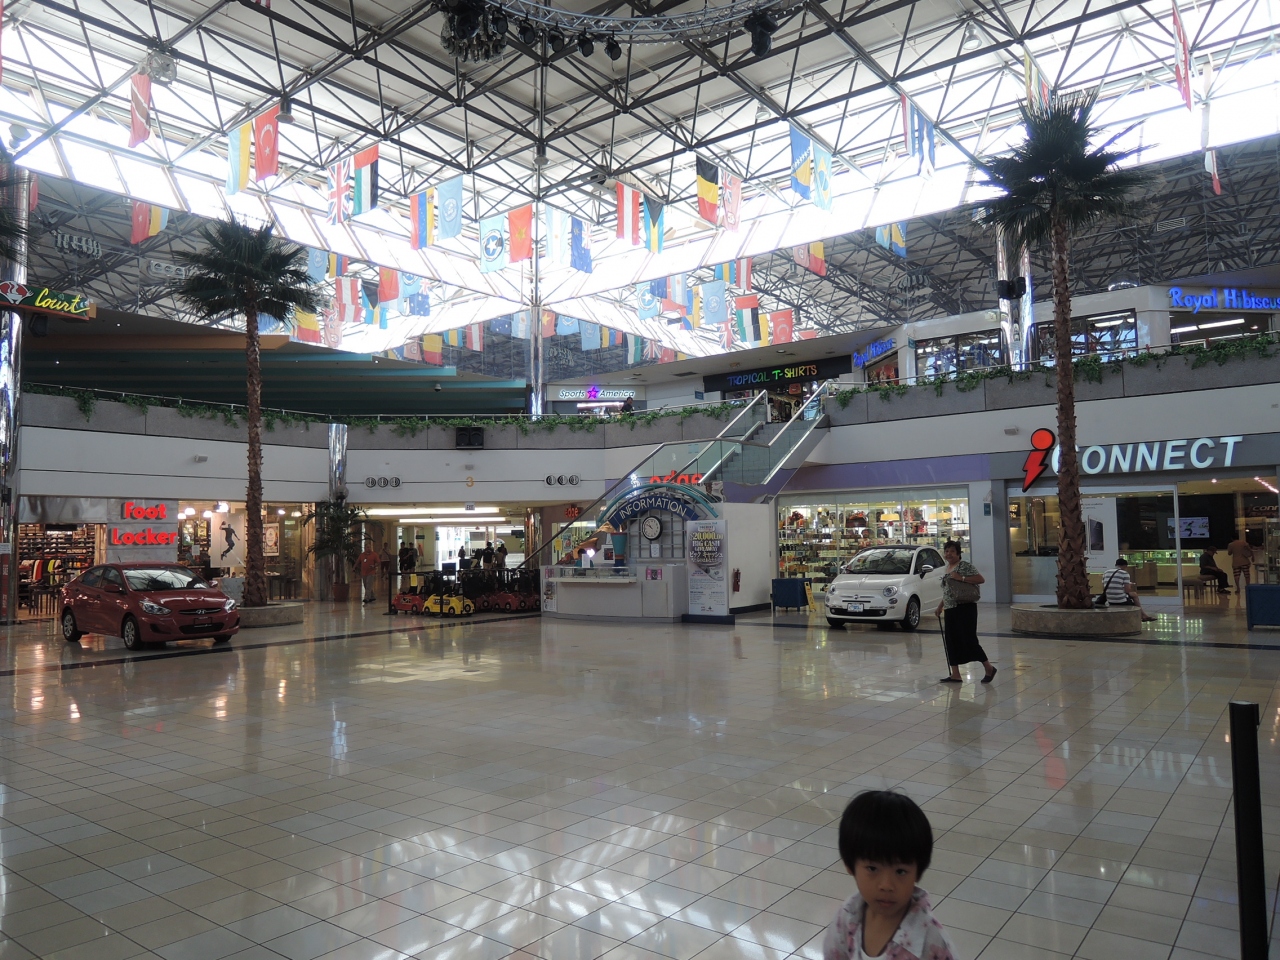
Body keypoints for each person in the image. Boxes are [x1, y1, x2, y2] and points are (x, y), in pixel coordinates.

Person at [822, 790, 957, 960]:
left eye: (900, 871)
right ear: (850, 866)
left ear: (917, 872)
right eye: (872, 868)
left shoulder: (932, 941)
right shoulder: (846, 919)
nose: (886, 885)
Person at [934, 540, 996, 684]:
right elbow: (948, 591)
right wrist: (940, 606)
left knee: (969, 640)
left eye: (952, 551)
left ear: (958, 553)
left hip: (965, 608)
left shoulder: (964, 566)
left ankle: (989, 668)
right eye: (947, 551)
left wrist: (961, 578)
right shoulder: (947, 568)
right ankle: (955, 674)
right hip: (950, 609)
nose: (949, 554)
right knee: (951, 641)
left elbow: (980, 579)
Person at [1102, 558, 1156, 622]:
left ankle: (1143, 615)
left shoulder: (1106, 572)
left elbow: (1105, 586)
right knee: (1135, 595)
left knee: (1133, 595)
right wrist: (1130, 585)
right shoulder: (1124, 573)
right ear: (1125, 566)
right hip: (1120, 600)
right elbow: (1127, 590)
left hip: (1109, 599)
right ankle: (1143, 615)